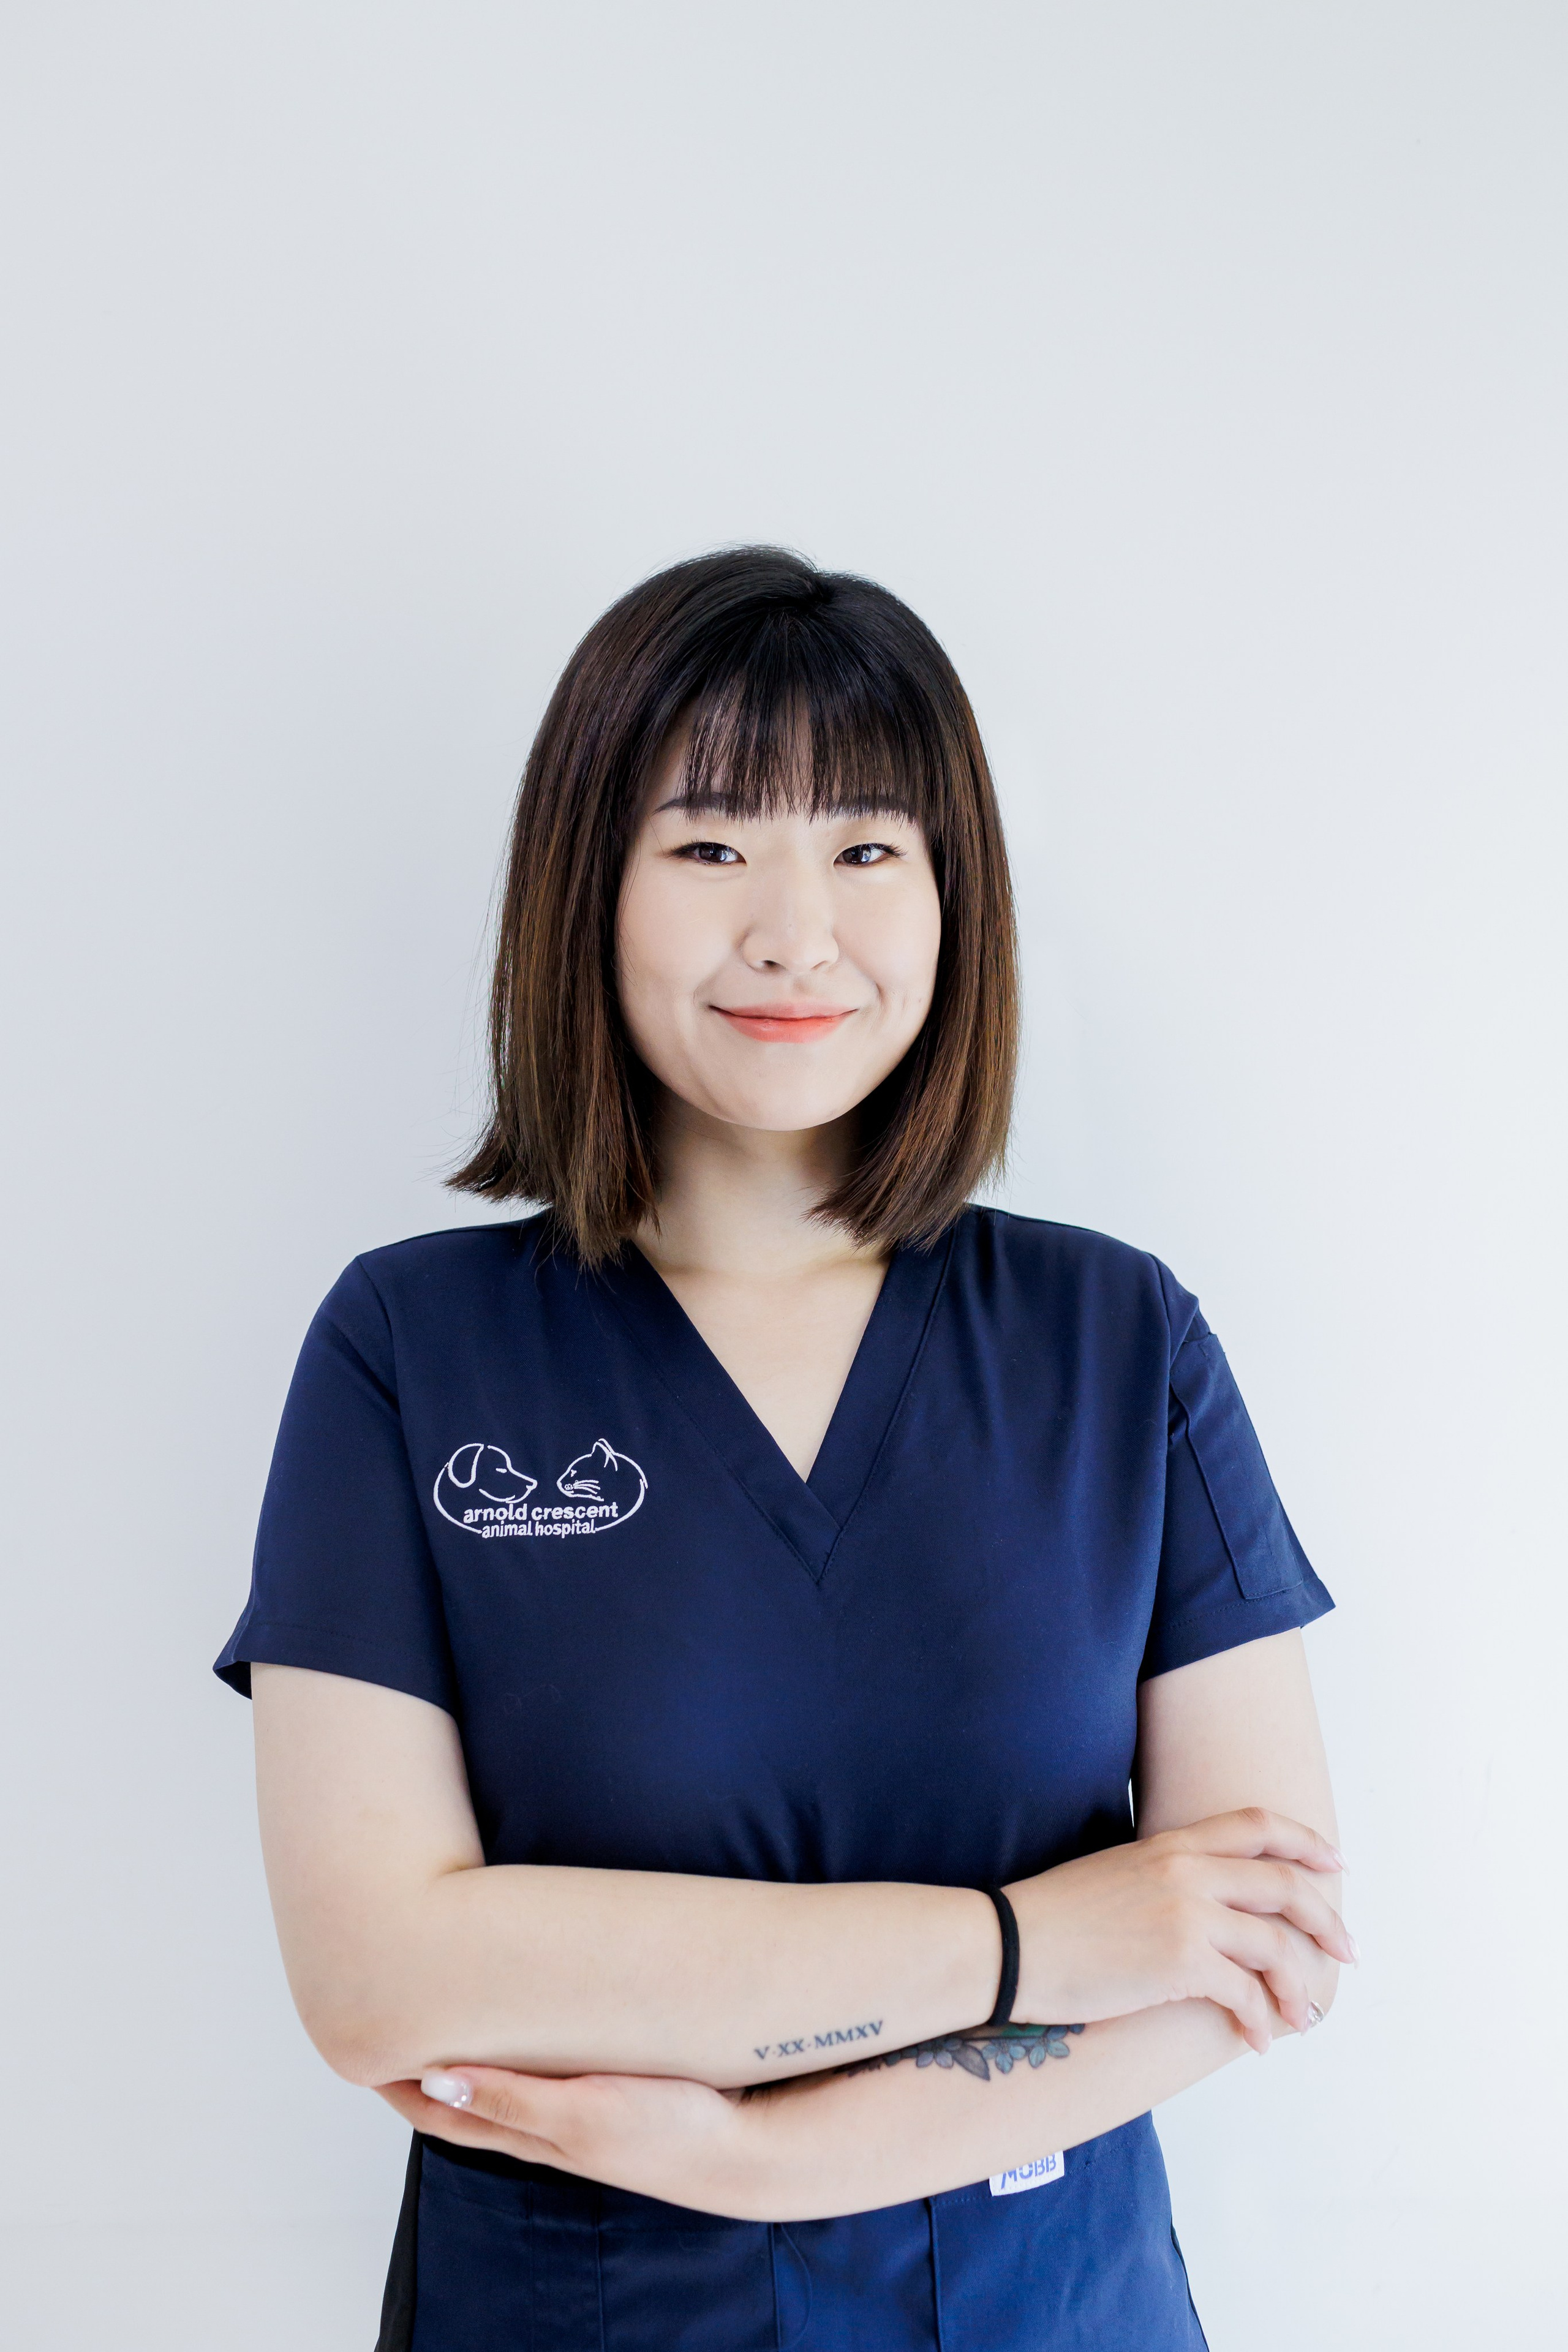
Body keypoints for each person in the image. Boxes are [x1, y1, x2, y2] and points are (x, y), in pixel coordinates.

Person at [216, 548, 1349, 2351]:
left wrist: (769, 2159)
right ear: (584, 887)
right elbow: (381, 1978)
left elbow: (1255, 1944)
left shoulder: (1118, 1342)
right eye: (713, 845)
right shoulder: (411, 1351)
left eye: (869, 849)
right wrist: (1039, 1942)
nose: (795, 931)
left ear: (953, 896)